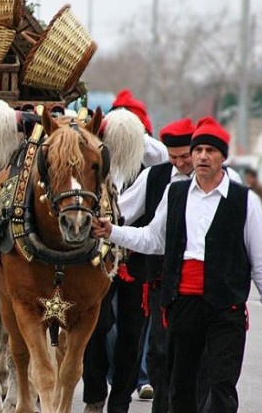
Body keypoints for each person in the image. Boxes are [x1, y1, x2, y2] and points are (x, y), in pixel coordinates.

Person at [92, 117, 262, 413]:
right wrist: (112, 231)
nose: (202, 157)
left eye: (210, 150)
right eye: (198, 150)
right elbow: (152, 239)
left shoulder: (243, 199)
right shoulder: (176, 193)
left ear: (223, 157)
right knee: (180, 382)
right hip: (182, 304)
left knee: (220, 382)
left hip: (225, 306)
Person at [82, 97, 168, 413]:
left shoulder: (152, 162)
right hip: (98, 256)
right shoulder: (96, 158)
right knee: (97, 325)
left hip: (137, 257)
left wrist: (128, 126)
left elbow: (157, 150)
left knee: (132, 332)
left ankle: (120, 400)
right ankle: (93, 394)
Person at [117, 118, 198, 413]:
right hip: (162, 283)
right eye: (173, 157)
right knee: (160, 354)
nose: (180, 163)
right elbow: (124, 214)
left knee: (201, 360)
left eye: (185, 156)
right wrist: (104, 227)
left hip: (206, 288)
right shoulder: (155, 177)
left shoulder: (228, 182)